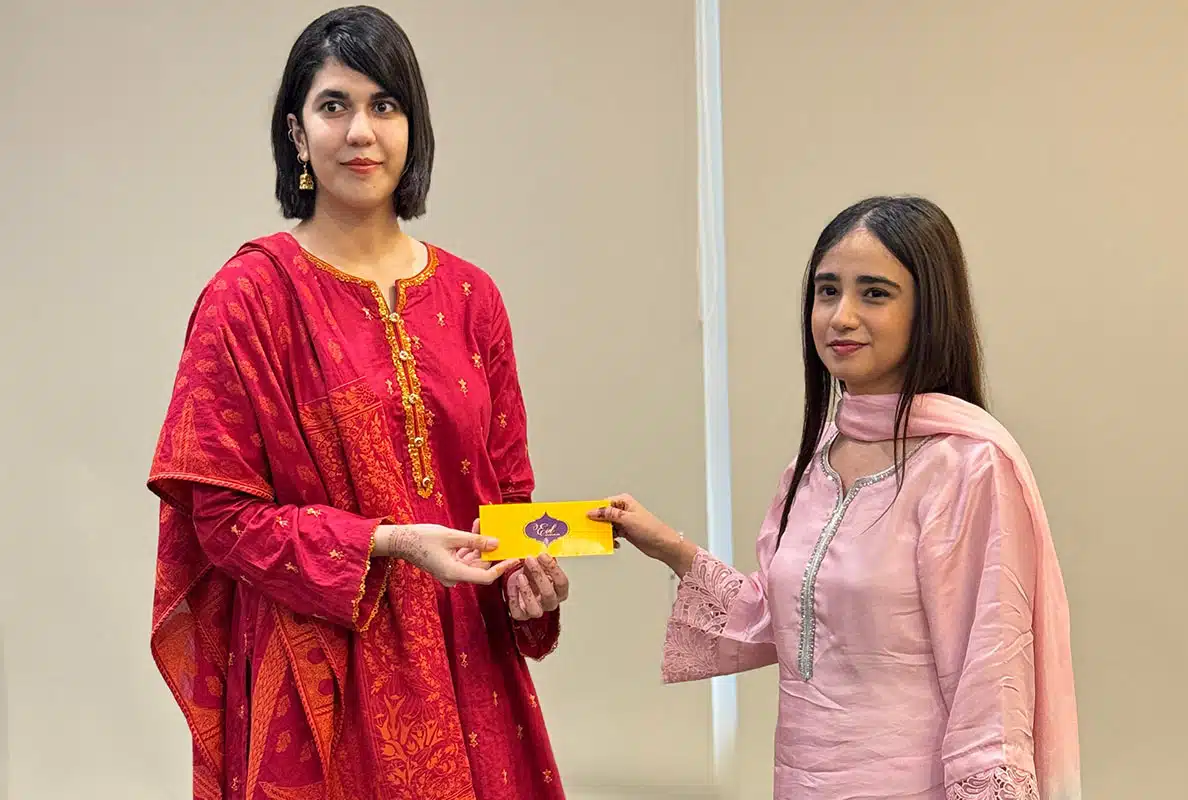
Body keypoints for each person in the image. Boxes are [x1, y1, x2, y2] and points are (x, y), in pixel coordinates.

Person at [147, 7, 569, 798]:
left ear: (413, 128)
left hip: (468, 679)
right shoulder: (249, 297)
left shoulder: (472, 297)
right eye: (333, 105)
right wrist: (389, 542)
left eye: (385, 105)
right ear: (297, 134)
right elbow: (221, 520)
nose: (360, 132)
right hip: (318, 679)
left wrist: (529, 584)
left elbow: (509, 499)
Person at [591, 196, 1082, 799]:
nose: (841, 316)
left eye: (874, 293)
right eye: (828, 292)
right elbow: (778, 618)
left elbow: (989, 680)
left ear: (929, 310)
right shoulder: (814, 464)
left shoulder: (967, 466)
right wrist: (667, 544)